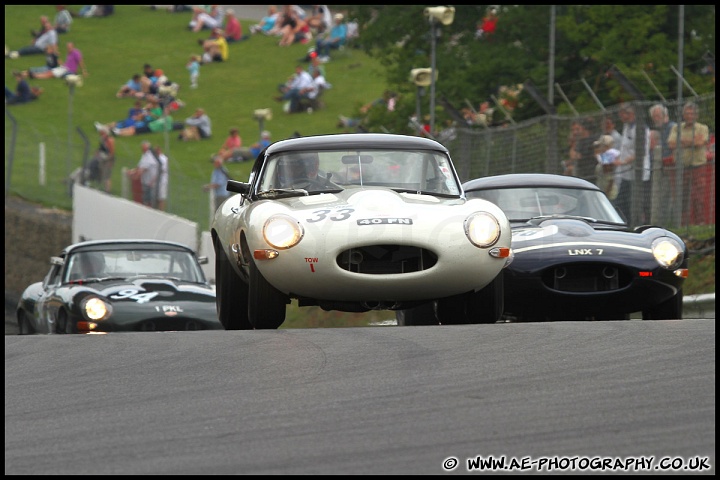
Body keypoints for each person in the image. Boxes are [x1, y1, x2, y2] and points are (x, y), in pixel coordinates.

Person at [667, 101, 710, 225]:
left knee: (698, 197)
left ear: (696, 115)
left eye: (692, 114)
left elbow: (700, 143)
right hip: (682, 168)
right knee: (682, 197)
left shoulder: (703, 128)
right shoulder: (676, 128)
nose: (690, 116)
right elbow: (671, 144)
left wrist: (682, 142)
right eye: (687, 113)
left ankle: (700, 223)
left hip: (698, 167)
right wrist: (692, 141)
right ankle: (683, 224)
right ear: (683, 115)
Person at [614, 103, 650, 224]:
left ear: (629, 114)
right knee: (621, 202)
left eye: (622, 114)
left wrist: (623, 161)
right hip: (626, 174)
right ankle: (625, 224)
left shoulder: (640, 128)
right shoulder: (627, 127)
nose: (620, 117)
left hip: (638, 173)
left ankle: (637, 224)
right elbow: (625, 147)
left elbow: (641, 152)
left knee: (636, 203)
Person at [127, 141, 160, 208]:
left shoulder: (150, 156)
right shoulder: (144, 155)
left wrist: (135, 177)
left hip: (151, 183)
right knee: (145, 198)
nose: (142, 149)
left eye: (143, 148)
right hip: (145, 182)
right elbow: (139, 167)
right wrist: (132, 171)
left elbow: (143, 170)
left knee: (150, 199)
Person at [568, 118, 598, 182]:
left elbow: (575, 156)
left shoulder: (590, 140)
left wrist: (573, 144)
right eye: (573, 130)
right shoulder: (579, 142)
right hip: (581, 174)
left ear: (583, 128)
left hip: (590, 174)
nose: (575, 132)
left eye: (577, 129)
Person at [593, 134, 619, 200]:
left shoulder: (610, 159)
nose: (599, 148)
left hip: (609, 196)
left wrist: (605, 195)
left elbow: (610, 180)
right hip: (601, 192)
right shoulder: (603, 157)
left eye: (600, 146)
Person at [89, 127, 116, 193]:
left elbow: (112, 152)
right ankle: (102, 187)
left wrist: (110, 161)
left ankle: (108, 190)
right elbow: (100, 148)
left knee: (107, 175)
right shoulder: (102, 139)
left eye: (102, 132)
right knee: (101, 173)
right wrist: (97, 153)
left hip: (108, 159)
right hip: (102, 159)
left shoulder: (110, 140)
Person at [153, 145, 169, 211]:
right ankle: (157, 209)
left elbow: (161, 170)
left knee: (161, 197)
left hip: (162, 180)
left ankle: (161, 210)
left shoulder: (163, 159)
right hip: (156, 180)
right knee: (156, 196)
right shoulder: (155, 158)